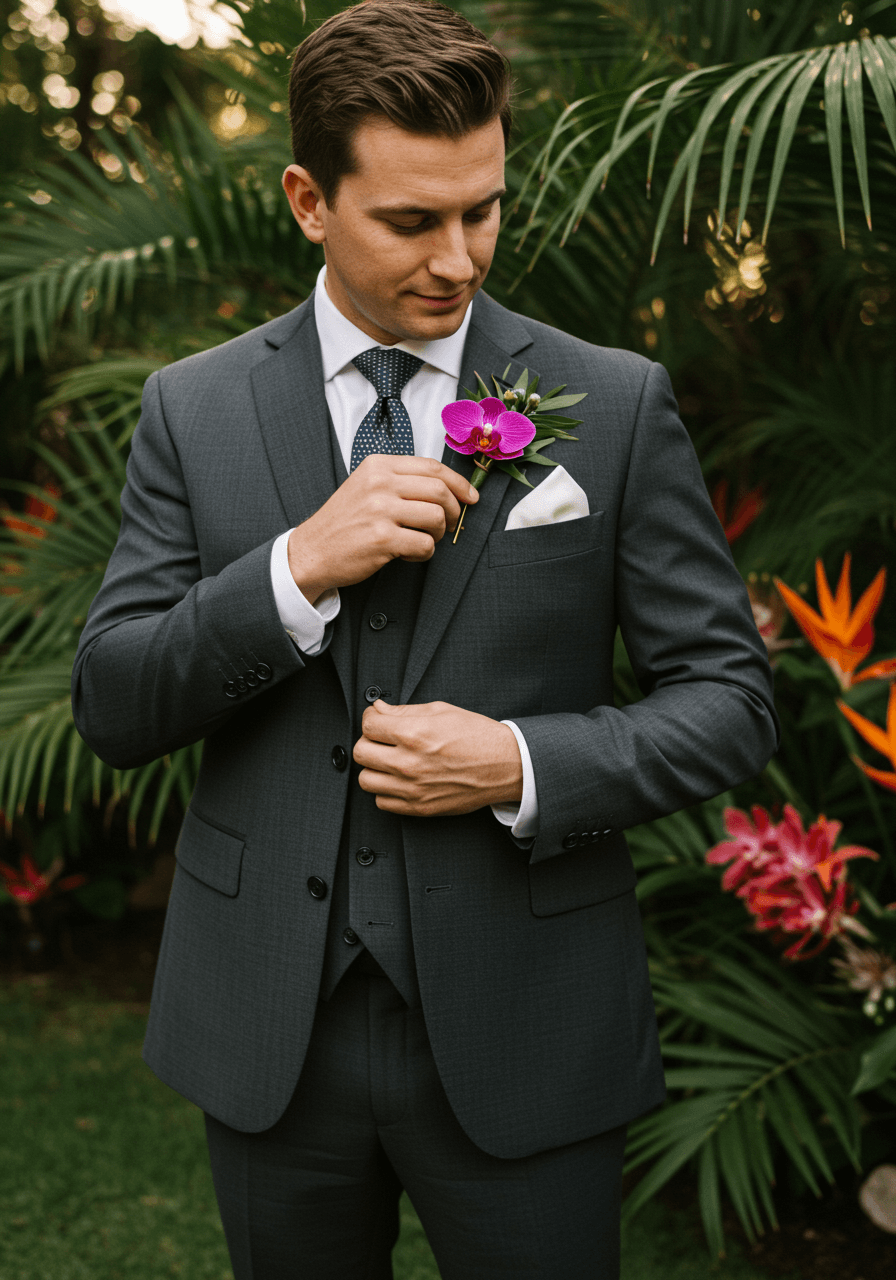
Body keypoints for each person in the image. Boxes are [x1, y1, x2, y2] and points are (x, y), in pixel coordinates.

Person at [71, 1, 779, 1275]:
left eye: (484, 209)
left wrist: (519, 761)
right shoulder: (193, 409)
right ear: (307, 199)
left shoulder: (611, 404)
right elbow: (115, 702)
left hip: (526, 1017)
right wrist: (292, 569)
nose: (459, 259)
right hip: (267, 1021)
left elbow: (729, 697)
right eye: (411, 220)